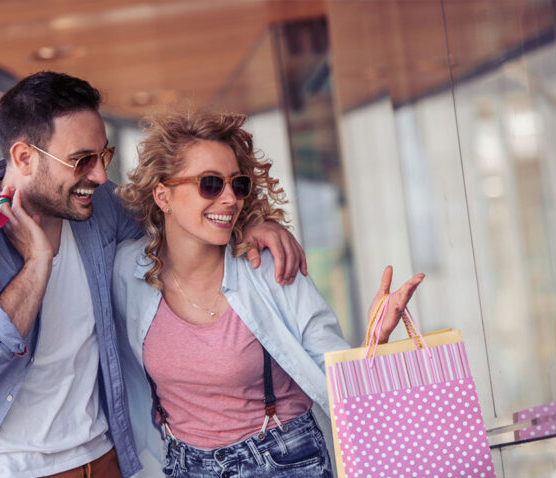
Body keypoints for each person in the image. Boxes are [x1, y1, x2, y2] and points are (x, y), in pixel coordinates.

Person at [0, 72, 306, 478]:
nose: (100, 175)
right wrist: (38, 262)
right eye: (81, 160)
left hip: (105, 460)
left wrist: (247, 224)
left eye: (103, 155)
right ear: (23, 157)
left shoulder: (98, 205)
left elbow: (181, 224)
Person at [112, 111, 425, 477]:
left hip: (283, 460)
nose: (230, 199)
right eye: (210, 184)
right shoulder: (128, 272)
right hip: (184, 465)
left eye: (238, 185)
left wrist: (376, 338)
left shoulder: (269, 266)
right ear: (162, 195)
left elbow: (332, 366)